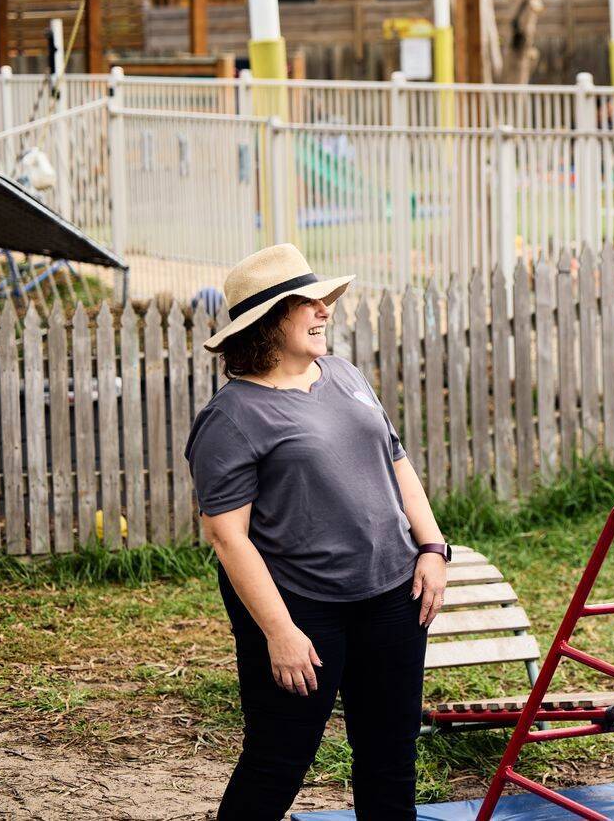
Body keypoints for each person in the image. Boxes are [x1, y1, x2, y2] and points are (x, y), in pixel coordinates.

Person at [185, 243, 451, 819]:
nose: (323, 310)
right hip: (303, 608)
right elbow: (228, 537)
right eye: (305, 303)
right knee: (278, 759)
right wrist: (279, 632)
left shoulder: (344, 374)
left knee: (390, 754)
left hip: (391, 595)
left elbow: (395, 459)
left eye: (322, 300)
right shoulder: (231, 417)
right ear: (266, 321)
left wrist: (432, 547)